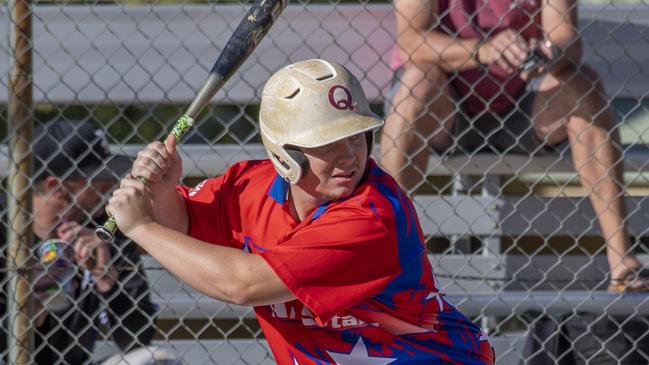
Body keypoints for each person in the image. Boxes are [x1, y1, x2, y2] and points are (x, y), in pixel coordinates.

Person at [105, 59, 494, 364]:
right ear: (283, 154)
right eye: (327, 143)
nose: (349, 157)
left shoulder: (373, 217)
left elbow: (243, 285)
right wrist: (162, 191)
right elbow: (185, 226)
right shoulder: (248, 186)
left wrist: (140, 225)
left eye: (356, 137)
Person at [379, 0, 649, 292]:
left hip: (523, 101)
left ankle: (622, 261)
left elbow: (566, 38)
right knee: (416, 84)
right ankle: (384, 256)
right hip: (444, 106)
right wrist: (485, 49)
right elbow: (411, 43)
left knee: (584, 85)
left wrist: (548, 53)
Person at [0, 120, 177, 364]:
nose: (110, 187)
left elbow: (138, 338)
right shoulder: (4, 227)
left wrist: (106, 277)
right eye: (98, 180)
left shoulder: (104, 227)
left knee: (155, 360)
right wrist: (27, 309)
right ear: (57, 187)